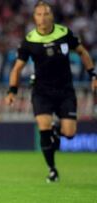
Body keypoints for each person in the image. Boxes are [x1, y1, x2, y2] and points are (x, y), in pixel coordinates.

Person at [5, 1, 97, 183]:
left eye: (46, 14)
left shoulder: (64, 33)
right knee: (43, 128)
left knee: (69, 133)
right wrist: (12, 91)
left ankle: (56, 130)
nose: (43, 17)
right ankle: (52, 169)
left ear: (52, 16)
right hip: (41, 91)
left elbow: (83, 52)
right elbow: (16, 69)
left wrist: (93, 75)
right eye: (39, 14)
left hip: (65, 90)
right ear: (34, 17)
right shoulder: (29, 40)